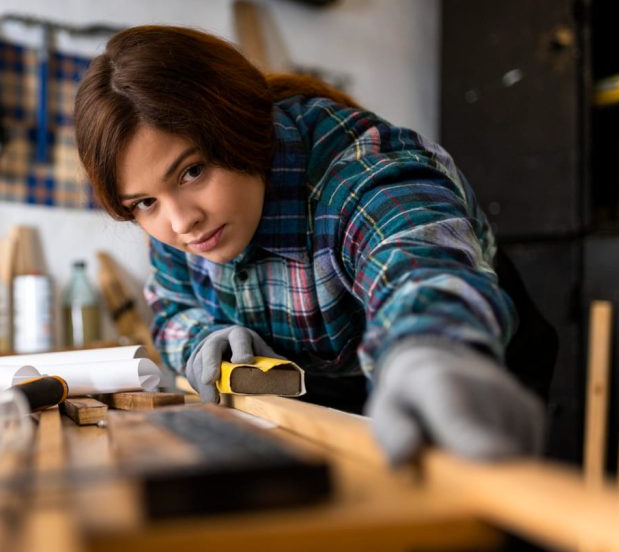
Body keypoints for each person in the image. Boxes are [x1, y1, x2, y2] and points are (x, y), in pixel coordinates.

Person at [73, 25, 548, 465]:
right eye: (144, 203)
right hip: (326, 400)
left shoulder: (358, 170)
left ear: (243, 126)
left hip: (462, 374)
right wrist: (200, 338)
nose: (181, 222)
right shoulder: (177, 221)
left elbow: (417, 267)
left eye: (192, 171)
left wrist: (432, 349)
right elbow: (174, 309)